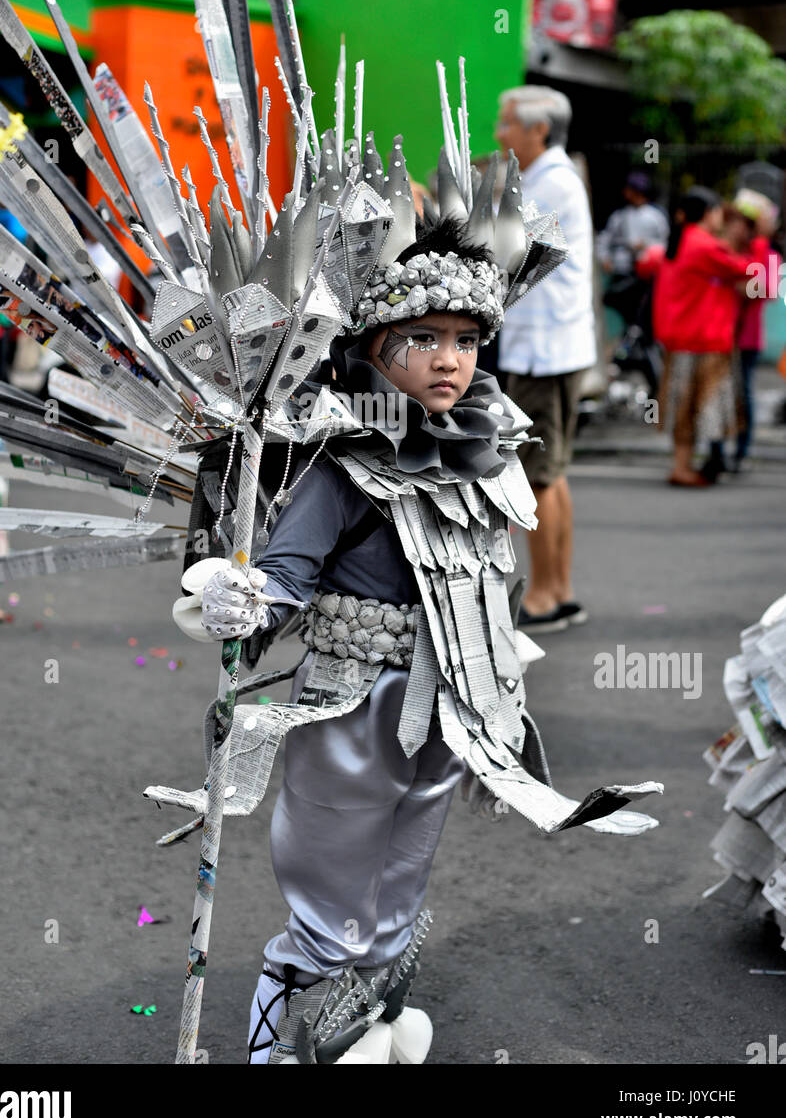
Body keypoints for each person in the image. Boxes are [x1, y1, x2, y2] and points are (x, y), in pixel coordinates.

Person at [173, 141, 661, 1067]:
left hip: (450, 711)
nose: (450, 361)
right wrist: (243, 604)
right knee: (330, 875)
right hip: (353, 706)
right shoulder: (345, 463)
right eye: (424, 340)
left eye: (467, 341)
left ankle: (377, 1021)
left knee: (404, 873)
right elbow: (287, 575)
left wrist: (504, 659)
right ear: (371, 349)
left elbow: (490, 571)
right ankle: (284, 1041)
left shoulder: (488, 448)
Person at [492, 85, 597, 634]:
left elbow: (502, 247)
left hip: (546, 349)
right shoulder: (548, 178)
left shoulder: (551, 182)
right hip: (548, 345)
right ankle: (558, 590)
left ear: (539, 129)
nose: (498, 133)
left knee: (537, 474)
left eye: (507, 123)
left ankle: (545, 597)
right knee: (549, 474)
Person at [647, 187, 753, 487]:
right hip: (701, 340)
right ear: (708, 214)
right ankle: (683, 467)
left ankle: (682, 465)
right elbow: (743, 269)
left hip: (681, 339)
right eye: (718, 210)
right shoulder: (703, 245)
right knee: (694, 408)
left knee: (683, 406)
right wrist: (759, 245)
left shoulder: (682, 241)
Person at [729, 188, 781, 470]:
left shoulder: (768, 253)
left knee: (743, 392)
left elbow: (763, 290)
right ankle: (717, 450)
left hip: (747, 336)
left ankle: (741, 451)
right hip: (720, 334)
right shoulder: (728, 248)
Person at [597, 169, 668, 327]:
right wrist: (605, 258)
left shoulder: (656, 216)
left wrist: (647, 245)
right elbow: (604, 240)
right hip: (622, 270)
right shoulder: (619, 216)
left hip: (647, 273)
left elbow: (665, 244)